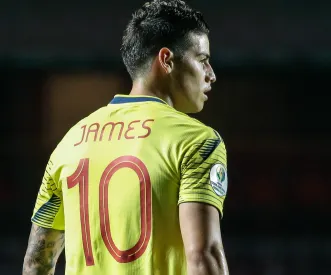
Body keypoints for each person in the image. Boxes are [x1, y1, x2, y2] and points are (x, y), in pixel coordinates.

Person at [22, 0, 229, 274]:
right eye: (203, 60)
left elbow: (36, 263)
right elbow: (203, 258)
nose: (211, 75)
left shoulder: (70, 143)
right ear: (166, 60)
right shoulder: (197, 141)